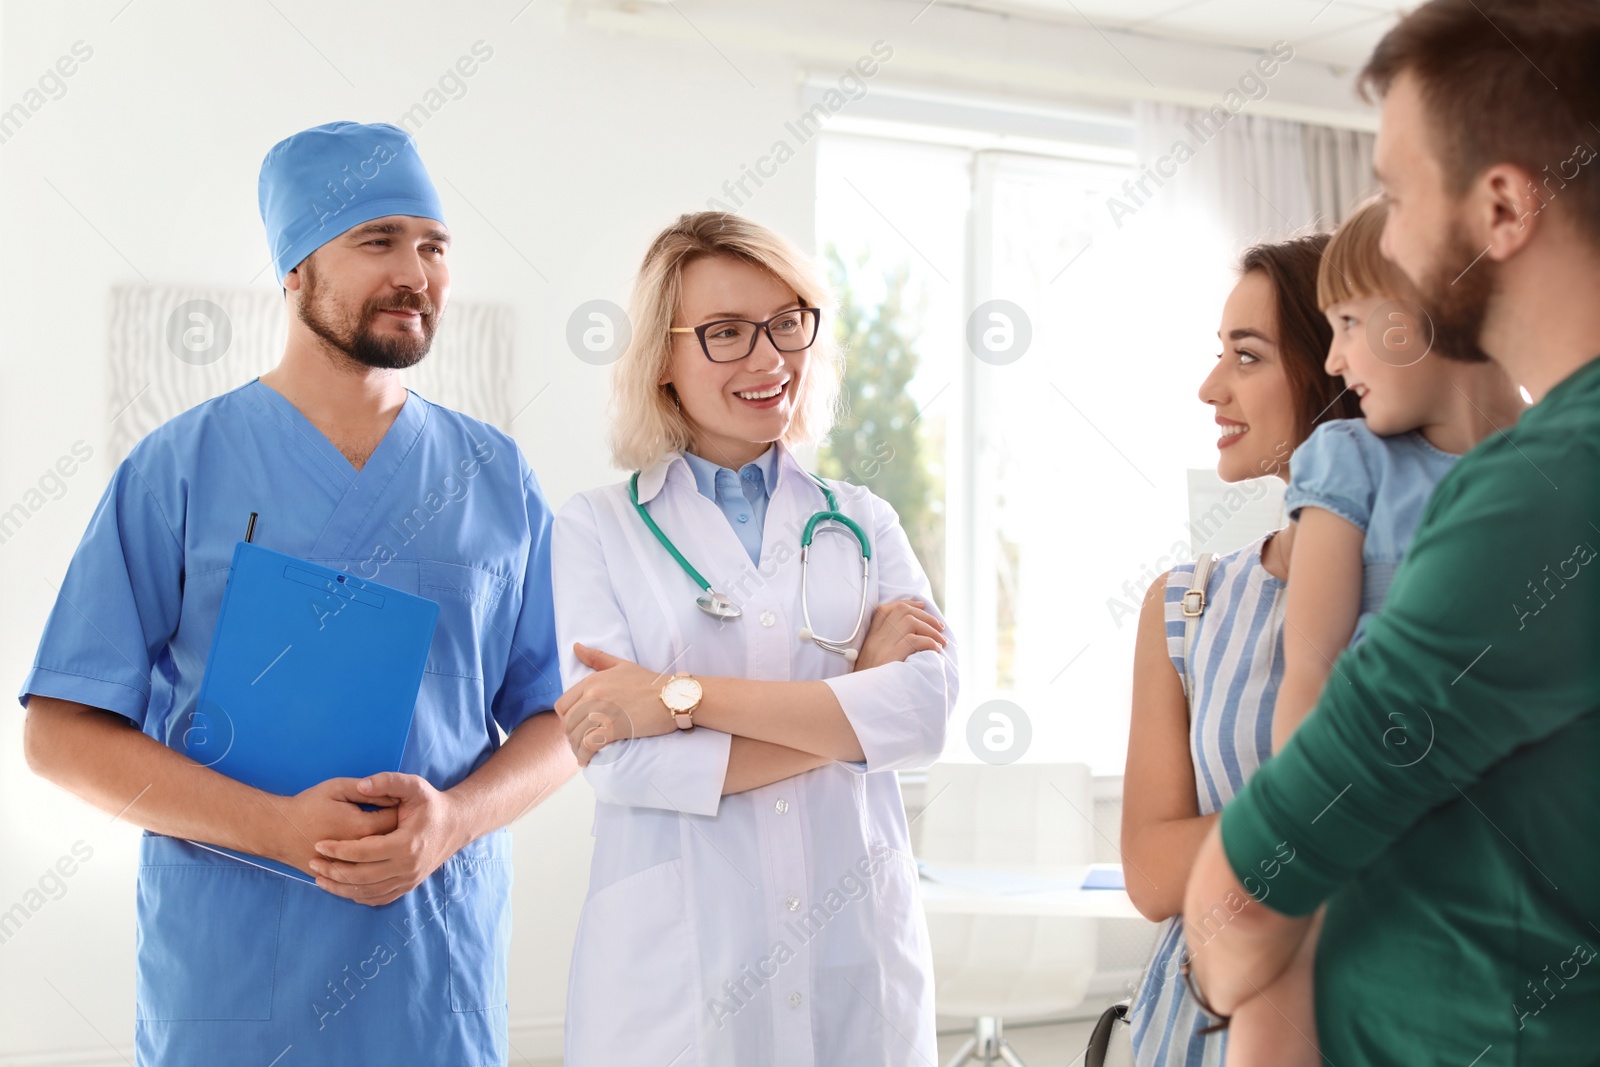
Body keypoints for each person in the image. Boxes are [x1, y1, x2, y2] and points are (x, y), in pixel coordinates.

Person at [18, 121, 574, 1065]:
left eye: (434, 245)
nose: (415, 272)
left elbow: (566, 718)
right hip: (233, 971)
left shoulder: (495, 474)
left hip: (430, 975)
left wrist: (454, 825)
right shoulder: (180, 468)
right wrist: (276, 828)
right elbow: (59, 733)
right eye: (376, 240)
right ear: (294, 268)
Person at [1183, 2, 1600, 1062]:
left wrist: (1223, 956)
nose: (1389, 238)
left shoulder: (1548, 488)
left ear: (1502, 205)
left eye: (1393, 193)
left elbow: (1257, 884)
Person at [550, 210, 957, 1066]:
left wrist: (672, 698)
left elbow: (920, 716)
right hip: (684, 974)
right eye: (727, 333)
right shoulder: (594, 529)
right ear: (663, 357)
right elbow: (621, 756)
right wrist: (849, 710)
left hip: (853, 950)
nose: (770, 360)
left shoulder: (863, 519)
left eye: (786, 323)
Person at [1221, 196, 1524, 1066]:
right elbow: (1308, 670)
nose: (1337, 354)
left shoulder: (1557, 464)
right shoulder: (1352, 463)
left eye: (1350, 321)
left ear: (1442, 306)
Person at [1121, 233, 1361, 1067]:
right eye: (1219, 354)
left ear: (1338, 364)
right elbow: (1151, 874)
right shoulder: (1185, 605)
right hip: (1192, 1027)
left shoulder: (1430, 584)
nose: (1210, 386)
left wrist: (1241, 840)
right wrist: (1345, 813)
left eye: (1247, 356)